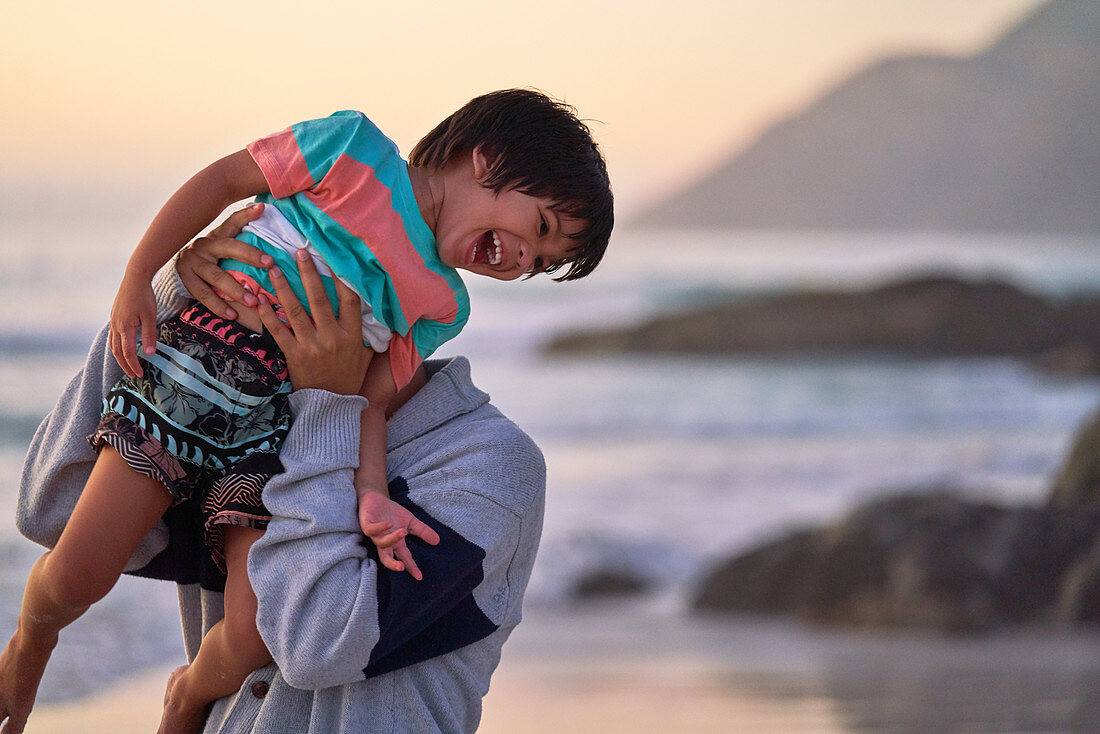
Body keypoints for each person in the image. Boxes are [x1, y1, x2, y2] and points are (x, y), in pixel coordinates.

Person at [0, 89, 612, 732]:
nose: (523, 260)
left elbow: (366, 403)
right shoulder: (353, 150)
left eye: (541, 263)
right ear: (485, 158)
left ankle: (185, 701)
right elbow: (226, 180)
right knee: (77, 574)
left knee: (250, 637)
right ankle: (31, 639)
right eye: (539, 229)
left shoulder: (441, 303)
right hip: (191, 375)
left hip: (278, 437)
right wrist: (149, 277)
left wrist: (371, 493)